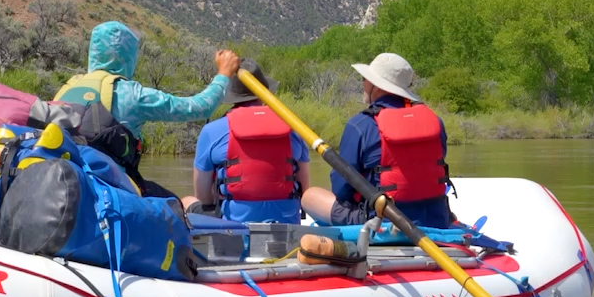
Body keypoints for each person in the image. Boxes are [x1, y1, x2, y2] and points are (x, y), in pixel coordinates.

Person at [300, 52, 454, 228]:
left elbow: (341, 189)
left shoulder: (360, 125)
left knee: (310, 196)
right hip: (435, 219)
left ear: (377, 86)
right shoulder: (435, 121)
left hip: (381, 221)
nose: (363, 83)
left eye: (366, 79)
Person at [55, 21, 241, 135]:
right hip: (111, 186)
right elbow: (200, 108)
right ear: (129, 56)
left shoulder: (68, 88)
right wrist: (224, 74)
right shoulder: (133, 95)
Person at [183, 62, 311, 223]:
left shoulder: (212, 130)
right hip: (287, 221)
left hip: (233, 224)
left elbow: (203, 197)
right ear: (264, 93)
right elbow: (306, 190)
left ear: (231, 95)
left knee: (187, 201)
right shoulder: (294, 127)